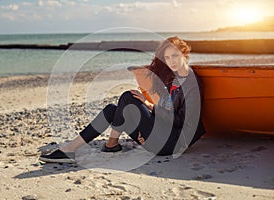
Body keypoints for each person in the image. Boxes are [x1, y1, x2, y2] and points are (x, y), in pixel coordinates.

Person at [39, 36, 205, 163]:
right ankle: (71, 149)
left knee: (128, 97)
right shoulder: (173, 78)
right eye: (167, 58)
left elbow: (183, 123)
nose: (171, 62)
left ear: (185, 54)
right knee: (113, 109)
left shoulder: (192, 83)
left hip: (172, 143)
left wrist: (148, 106)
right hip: (161, 132)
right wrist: (148, 119)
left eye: (175, 56)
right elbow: (167, 110)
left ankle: (111, 144)